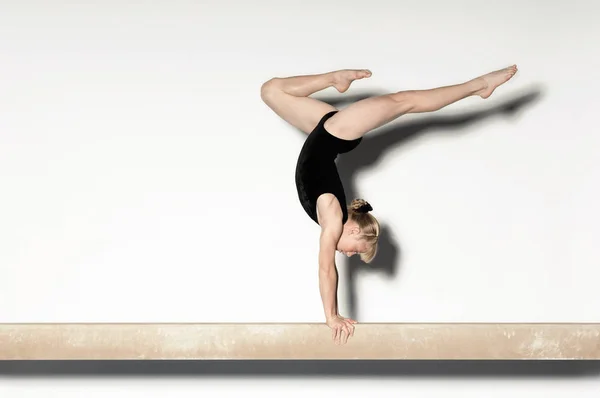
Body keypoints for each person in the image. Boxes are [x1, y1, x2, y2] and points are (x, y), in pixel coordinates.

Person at [260, 64, 518, 345]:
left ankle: (335, 80)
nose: (348, 255)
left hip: (323, 132)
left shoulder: (331, 219)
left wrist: (331, 316)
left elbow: (325, 266)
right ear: (356, 232)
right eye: (357, 252)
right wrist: (332, 315)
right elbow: (326, 269)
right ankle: (478, 86)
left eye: (354, 256)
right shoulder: (333, 219)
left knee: (271, 90)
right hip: (336, 132)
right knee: (405, 101)